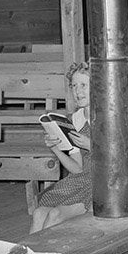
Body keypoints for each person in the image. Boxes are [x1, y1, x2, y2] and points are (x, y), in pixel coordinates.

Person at [29, 62, 92, 233]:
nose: (78, 92)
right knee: (39, 213)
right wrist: (56, 148)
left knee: (55, 214)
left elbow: (118, 160)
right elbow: (77, 168)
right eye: (74, 86)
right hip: (79, 179)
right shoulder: (76, 119)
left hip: (100, 184)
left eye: (84, 85)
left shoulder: (108, 115)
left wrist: (91, 145)